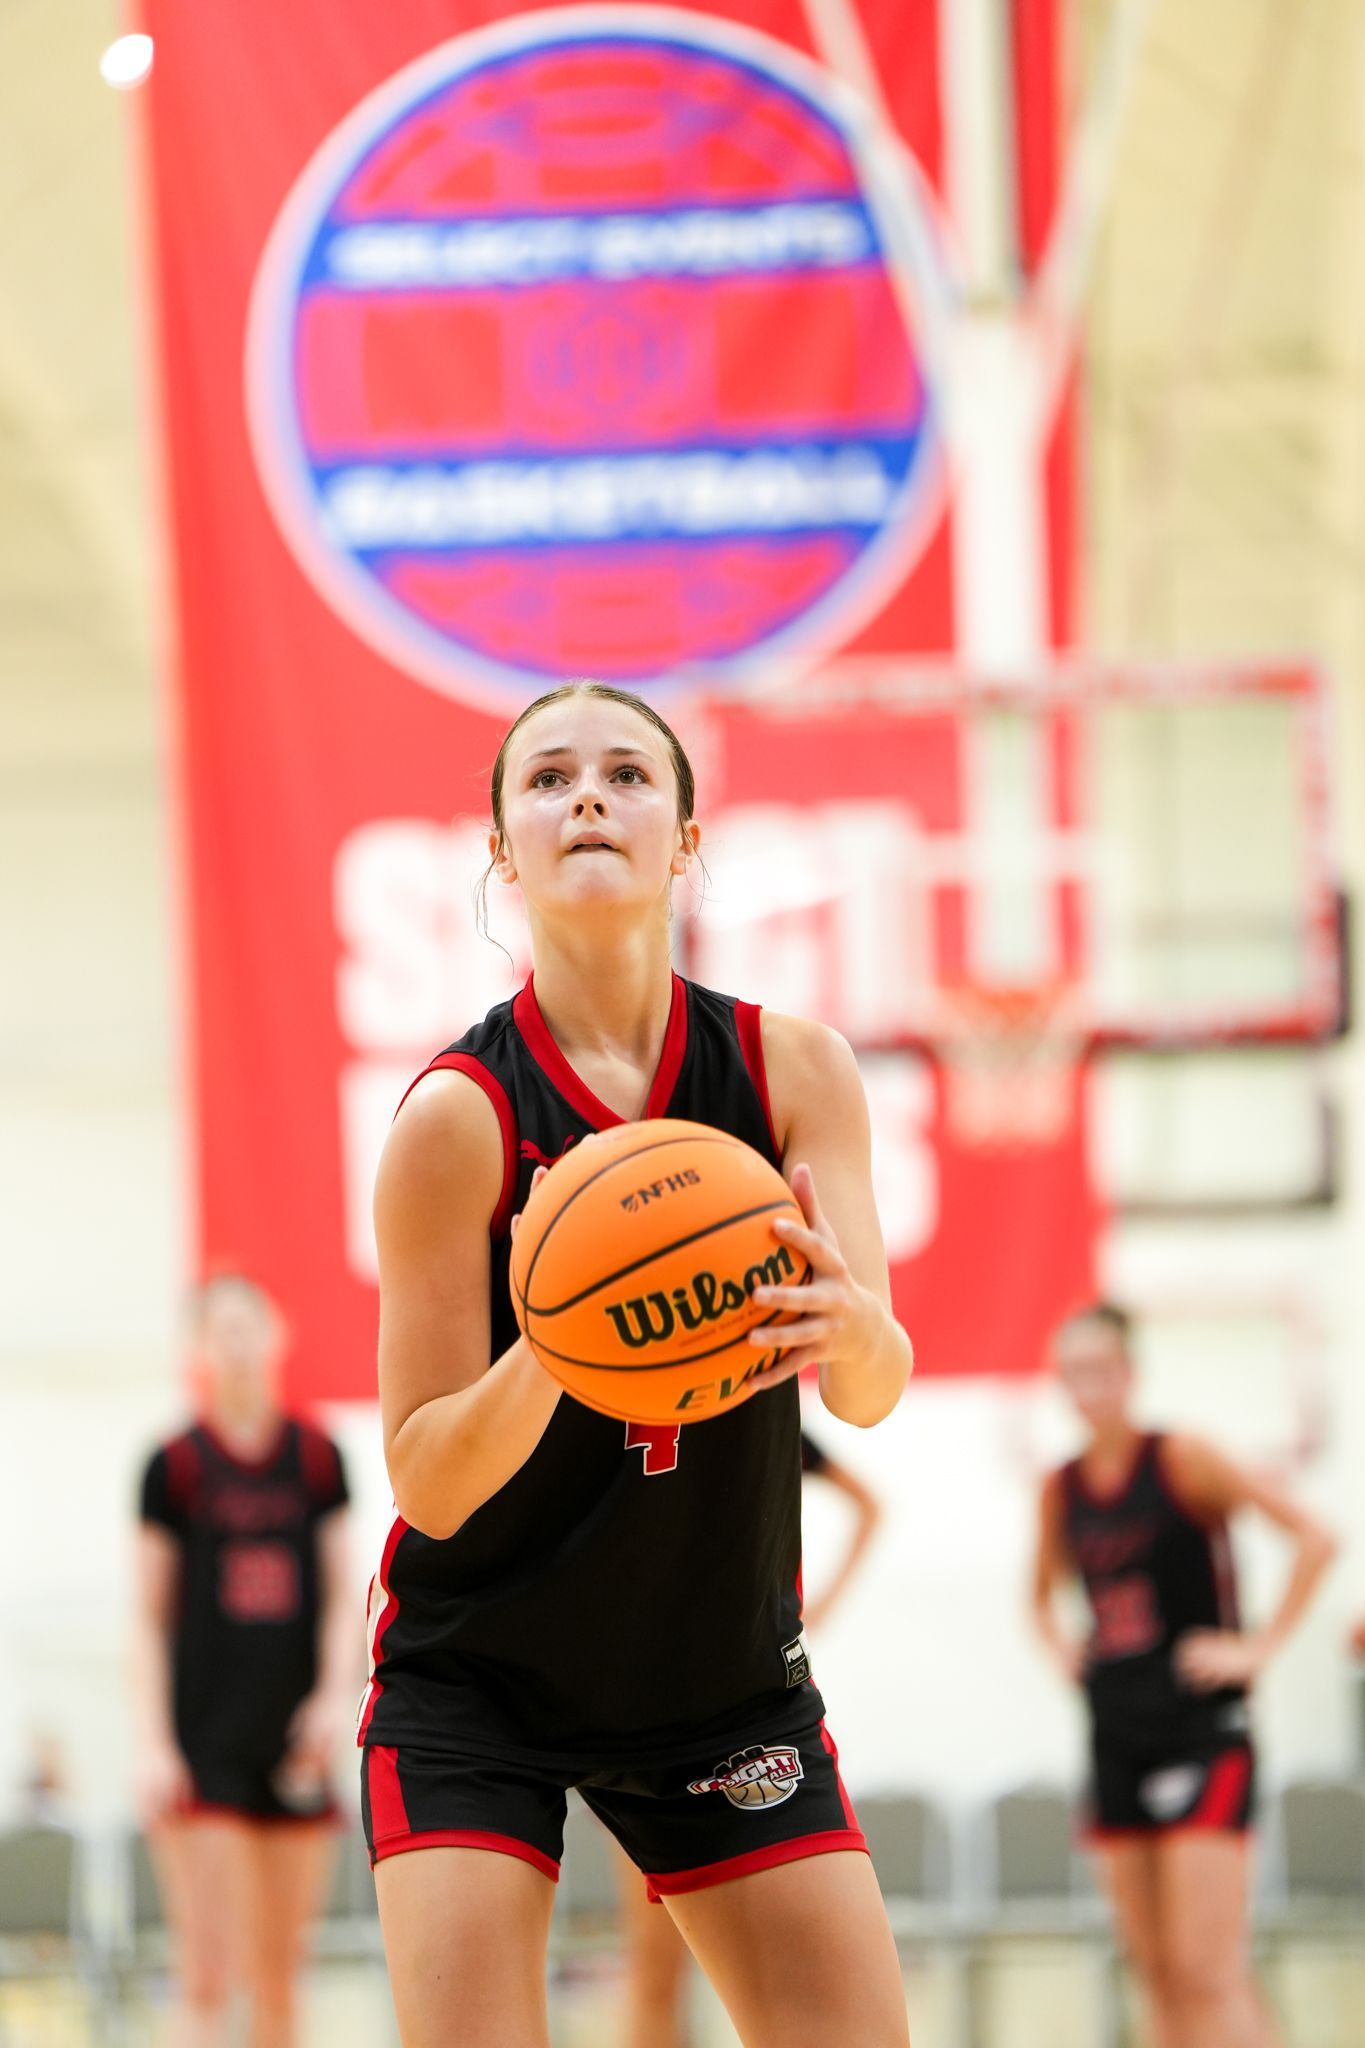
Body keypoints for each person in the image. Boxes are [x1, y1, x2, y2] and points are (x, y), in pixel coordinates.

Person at [362, 680, 914, 2048]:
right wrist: (560, 1344)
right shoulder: (457, 1118)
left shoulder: (794, 1071)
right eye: (548, 780)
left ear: (687, 837)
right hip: (476, 1681)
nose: (589, 795)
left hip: (716, 1683)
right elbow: (428, 1480)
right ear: (502, 852)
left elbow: (870, 1386)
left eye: (626, 773)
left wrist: (854, 1330)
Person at [1032, 1301, 1336, 2048]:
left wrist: (1257, 1647)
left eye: (1101, 1370)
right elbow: (1036, 1598)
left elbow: (1315, 1538)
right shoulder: (1060, 1487)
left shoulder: (1181, 1458)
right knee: (1155, 1971)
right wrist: (1059, 1647)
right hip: (1115, 1733)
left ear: (1129, 1374)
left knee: (1206, 1970)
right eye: (1074, 1373)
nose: (1089, 1387)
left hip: (1201, 1730)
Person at [132, 1274, 356, 2048]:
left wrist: (334, 1696)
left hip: (293, 1744)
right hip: (205, 1744)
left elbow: (340, 1597)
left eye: (247, 1324)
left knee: (281, 1979)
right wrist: (155, 1745)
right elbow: (149, 1619)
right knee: (207, 1973)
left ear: (276, 1335)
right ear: (196, 1349)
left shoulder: (318, 1457)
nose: (235, 1340)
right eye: (218, 1328)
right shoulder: (175, 1466)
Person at [614, 1427, 884, 2048]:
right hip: (638, 1718)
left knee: (790, 1985)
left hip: (745, 1715)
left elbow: (870, 1503)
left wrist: (819, 1609)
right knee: (659, 1968)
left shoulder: (762, 1410)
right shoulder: (618, 1396)